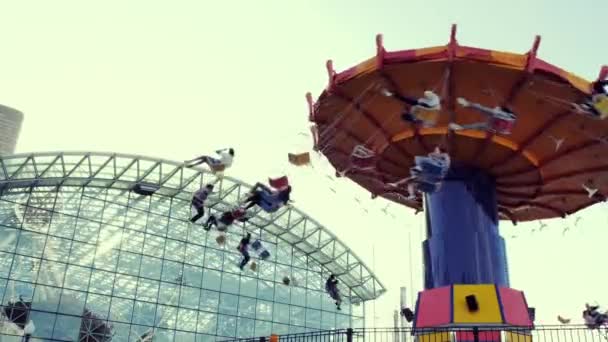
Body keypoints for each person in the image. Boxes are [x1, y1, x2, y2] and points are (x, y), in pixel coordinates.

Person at [450, 97, 517, 135]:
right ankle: (461, 127)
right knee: (478, 125)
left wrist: (468, 103)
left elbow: (483, 109)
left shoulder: (500, 114)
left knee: (483, 111)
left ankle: (467, 104)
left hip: (499, 122)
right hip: (498, 126)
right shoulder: (508, 118)